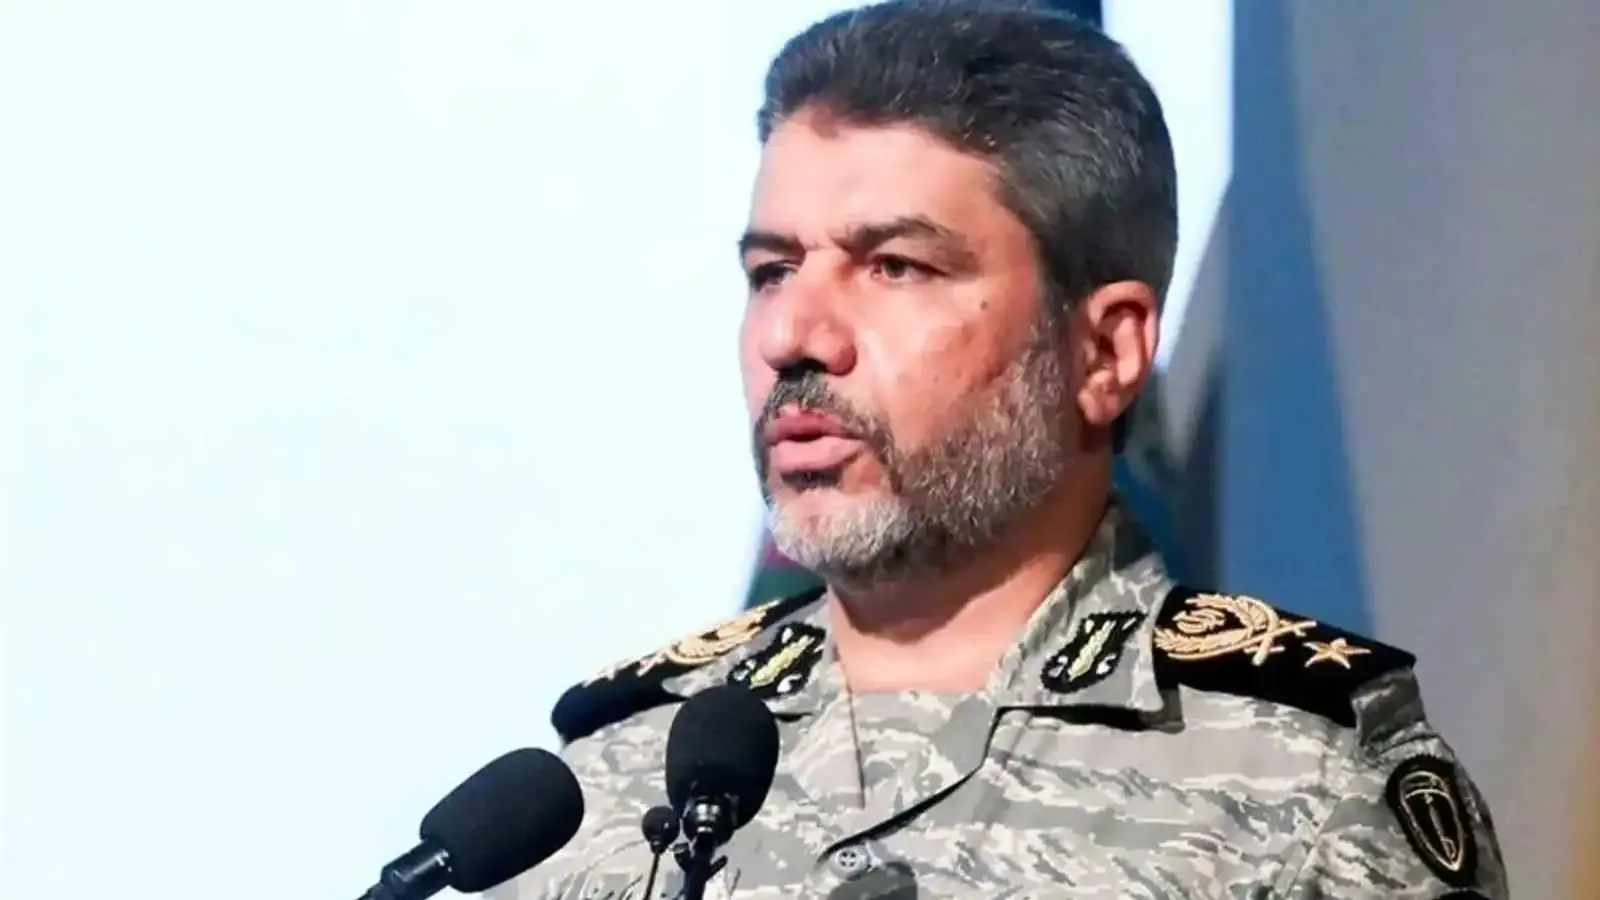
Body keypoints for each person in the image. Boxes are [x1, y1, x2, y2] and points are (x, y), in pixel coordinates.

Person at [494, 1, 1508, 897]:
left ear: (1104, 351)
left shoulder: (1306, 792)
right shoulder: (609, 782)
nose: (792, 335)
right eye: (771, 271)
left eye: (895, 266)